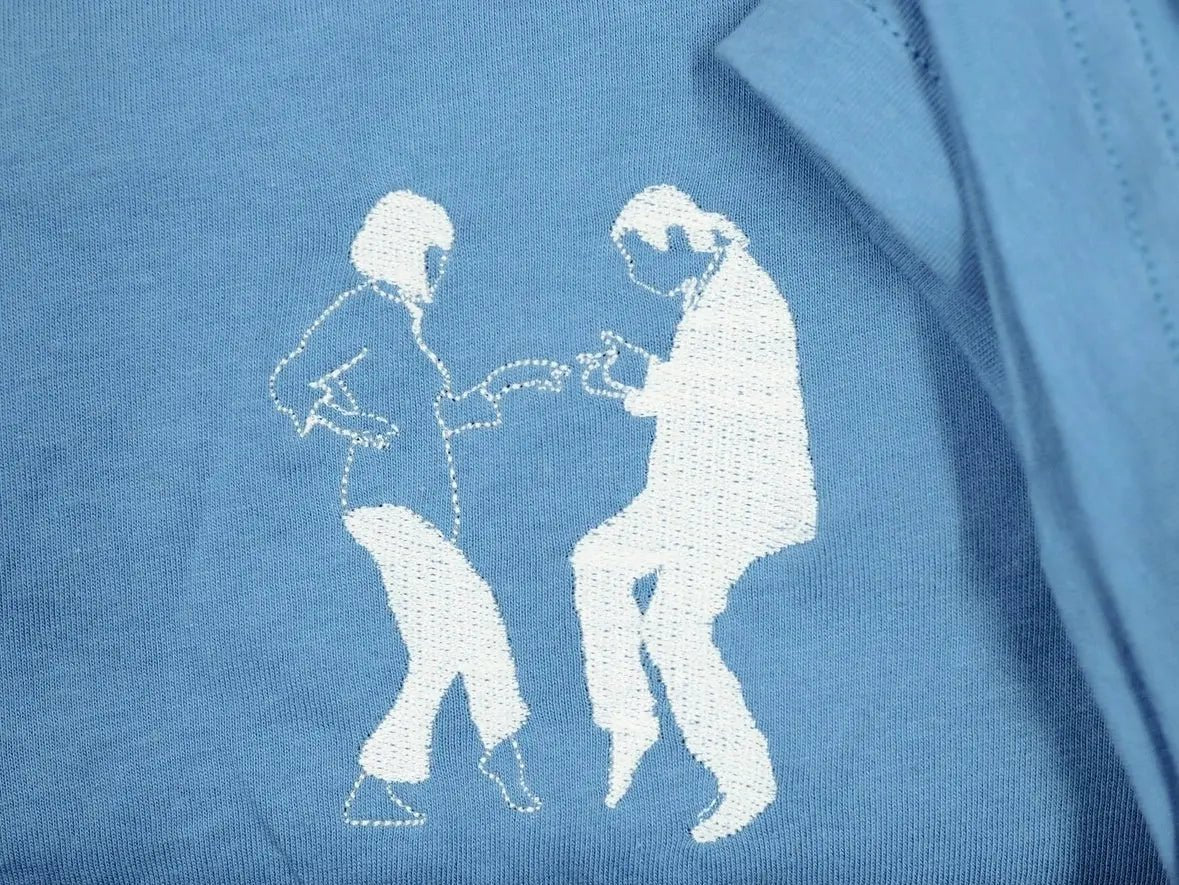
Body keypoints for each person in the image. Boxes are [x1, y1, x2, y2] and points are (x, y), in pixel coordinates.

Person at [270, 190, 569, 827]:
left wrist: (508, 382)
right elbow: (292, 381)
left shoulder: (403, 323)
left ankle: (378, 784)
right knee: (479, 618)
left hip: (423, 507)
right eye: (434, 256)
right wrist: (352, 423)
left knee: (438, 651)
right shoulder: (365, 309)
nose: (440, 270)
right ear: (403, 251)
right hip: (388, 504)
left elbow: (436, 418)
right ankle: (504, 752)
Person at [573, 184, 817, 843]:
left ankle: (743, 777)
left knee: (672, 626)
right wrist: (632, 381)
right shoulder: (707, 290)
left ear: (674, 243)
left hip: (739, 499)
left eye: (637, 258)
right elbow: (696, 392)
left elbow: (726, 399)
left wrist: (643, 376)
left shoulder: (744, 296)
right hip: (694, 496)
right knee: (598, 563)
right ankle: (630, 723)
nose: (633, 273)